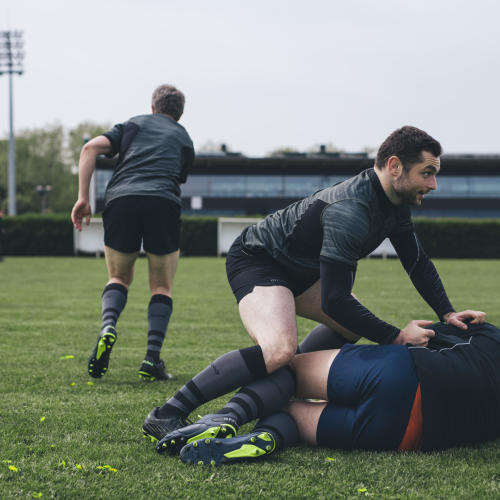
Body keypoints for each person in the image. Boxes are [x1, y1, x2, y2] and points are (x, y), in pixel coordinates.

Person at [142, 125, 484, 438]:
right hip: (258, 261)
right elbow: (335, 299)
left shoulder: (393, 204)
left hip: (299, 272)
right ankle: (167, 413)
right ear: (395, 166)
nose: (433, 184)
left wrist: (447, 312)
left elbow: (417, 262)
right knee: (278, 350)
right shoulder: (351, 210)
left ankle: (278, 388)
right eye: (427, 173)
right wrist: (396, 337)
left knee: (348, 327)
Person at [169, 320, 500, 465]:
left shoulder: (489, 335)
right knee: (289, 415)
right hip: (407, 436)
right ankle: (269, 438)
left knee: (289, 367)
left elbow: (420, 336)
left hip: (403, 374)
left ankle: (228, 416)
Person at [71, 84, 194, 381]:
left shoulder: (133, 125)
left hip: (121, 200)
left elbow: (89, 149)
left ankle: (108, 326)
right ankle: (151, 360)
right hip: (162, 201)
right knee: (161, 287)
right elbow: (178, 180)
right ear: (179, 114)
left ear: (153, 107)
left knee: (118, 278)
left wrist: (83, 198)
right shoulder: (183, 138)